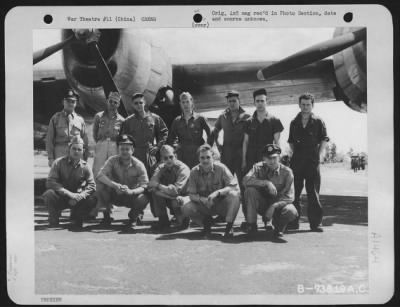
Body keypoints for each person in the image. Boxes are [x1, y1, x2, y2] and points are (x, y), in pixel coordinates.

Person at [287, 93, 329, 232]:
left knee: (313, 193)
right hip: (297, 162)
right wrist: (297, 154)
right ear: (299, 105)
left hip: (312, 161)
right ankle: (293, 222)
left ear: (312, 105)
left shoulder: (318, 121)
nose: (305, 107)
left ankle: (315, 224)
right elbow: (291, 142)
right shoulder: (294, 122)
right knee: (295, 194)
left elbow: (324, 139)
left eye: (308, 104)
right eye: (303, 104)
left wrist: (320, 155)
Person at [181, 144, 240, 239]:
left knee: (234, 195)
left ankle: (229, 226)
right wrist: (203, 199)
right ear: (198, 159)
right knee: (186, 207)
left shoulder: (221, 168)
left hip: (221, 204)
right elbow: (191, 194)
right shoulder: (194, 172)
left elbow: (234, 186)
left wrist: (218, 193)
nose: (205, 160)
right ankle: (206, 224)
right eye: (202, 157)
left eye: (208, 157)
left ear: (213, 157)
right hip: (204, 205)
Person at [209, 90, 251, 216]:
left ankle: (248, 217)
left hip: (241, 155)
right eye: (230, 101)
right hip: (226, 155)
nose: (232, 103)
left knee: (244, 187)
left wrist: (246, 158)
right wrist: (217, 144)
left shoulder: (247, 116)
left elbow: (250, 137)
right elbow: (214, 131)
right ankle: (222, 215)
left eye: (234, 101)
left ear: (239, 101)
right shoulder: (223, 116)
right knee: (224, 186)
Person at [95, 134, 150, 229]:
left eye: (127, 149)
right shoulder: (112, 160)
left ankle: (134, 217)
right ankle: (107, 217)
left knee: (144, 198)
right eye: (122, 149)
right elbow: (100, 175)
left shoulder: (138, 164)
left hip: (131, 195)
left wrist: (131, 191)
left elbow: (145, 185)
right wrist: (115, 185)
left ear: (132, 150)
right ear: (118, 150)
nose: (124, 151)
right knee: (100, 187)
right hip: (115, 193)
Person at [243, 144, 298, 239]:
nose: (272, 161)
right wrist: (265, 182)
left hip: (278, 207)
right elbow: (245, 181)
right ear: (264, 158)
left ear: (279, 157)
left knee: (291, 211)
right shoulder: (258, 167)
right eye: (268, 158)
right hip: (262, 204)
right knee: (250, 190)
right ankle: (252, 225)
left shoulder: (287, 172)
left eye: (274, 158)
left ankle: (279, 228)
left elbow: (290, 197)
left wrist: (274, 206)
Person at [42, 136, 96, 230]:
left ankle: (77, 216)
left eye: (79, 149)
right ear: (69, 149)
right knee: (49, 194)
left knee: (93, 198)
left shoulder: (86, 166)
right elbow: (50, 182)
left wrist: (81, 195)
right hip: (61, 197)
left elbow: (92, 185)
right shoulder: (58, 163)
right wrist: (69, 194)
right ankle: (54, 218)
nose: (76, 151)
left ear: (83, 151)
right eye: (74, 149)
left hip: (77, 199)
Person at [120, 92, 168, 175]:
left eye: (140, 102)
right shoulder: (128, 121)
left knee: (151, 177)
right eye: (136, 103)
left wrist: (157, 146)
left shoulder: (155, 118)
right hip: (134, 155)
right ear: (132, 105)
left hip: (149, 154)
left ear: (144, 103)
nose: (139, 105)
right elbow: (123, 139)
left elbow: (164, 132)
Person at [148, 145, 191, 231]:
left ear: (176, 156)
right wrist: (164, 191)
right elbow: (151, 185)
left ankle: (184, 221)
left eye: (171, 157)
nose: (168, 160)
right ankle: (163, 222)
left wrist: (158, 186)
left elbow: (175, 191)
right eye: (165, 158)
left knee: (175, 201)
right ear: (162, 159)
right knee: (155, 194)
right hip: (170, 196)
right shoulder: (161, 167)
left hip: (184, 198)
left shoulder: (183, 169)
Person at [242, 88, 284, 173]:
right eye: (257, 101)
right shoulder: (248, 122)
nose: (260, 103)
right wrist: (243, 161)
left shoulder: (274, 121)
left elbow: (277, 143)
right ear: (254, 102)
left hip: (268, 160)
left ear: (266, 101)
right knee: (252, 184)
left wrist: (277, 161)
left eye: (262, 101)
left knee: (268, 184)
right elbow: (245, 142)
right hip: (251, 160)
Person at [167, 92, 212, 169]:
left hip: (197, 152)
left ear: (191, 102)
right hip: (182, 154)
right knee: (184, 175)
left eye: (187, 101)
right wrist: (175, 147)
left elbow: (210, 134)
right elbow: (171, 137)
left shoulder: (200, 118)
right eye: (183, 102)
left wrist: (207, 147)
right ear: (180, 104)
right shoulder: (177, 121)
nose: (185, 104)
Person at [46, 89, 89, 167]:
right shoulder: (55, 118)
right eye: (68, 101)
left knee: (76, 178)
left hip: (76, 155)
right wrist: (51, 158)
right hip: (60, 154)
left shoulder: (80, 120)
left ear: (76, 103)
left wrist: (85, 157)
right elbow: (49, 139)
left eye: (73, 101)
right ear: (63, 102)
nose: (70, 103)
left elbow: (85, 140)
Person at [92, 91, 125, 178]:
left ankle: (111, 189)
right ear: (107, 101)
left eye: (115, 102)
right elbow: (95, 132)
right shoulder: (98, 116)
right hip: (101, 144)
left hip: (114, 146)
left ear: (118, 105)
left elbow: (122, 137)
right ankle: (97, 189)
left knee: (113, 169)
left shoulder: (122, 120)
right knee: (98, 168)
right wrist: (100, 143)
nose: (112, 104)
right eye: (111, 101)